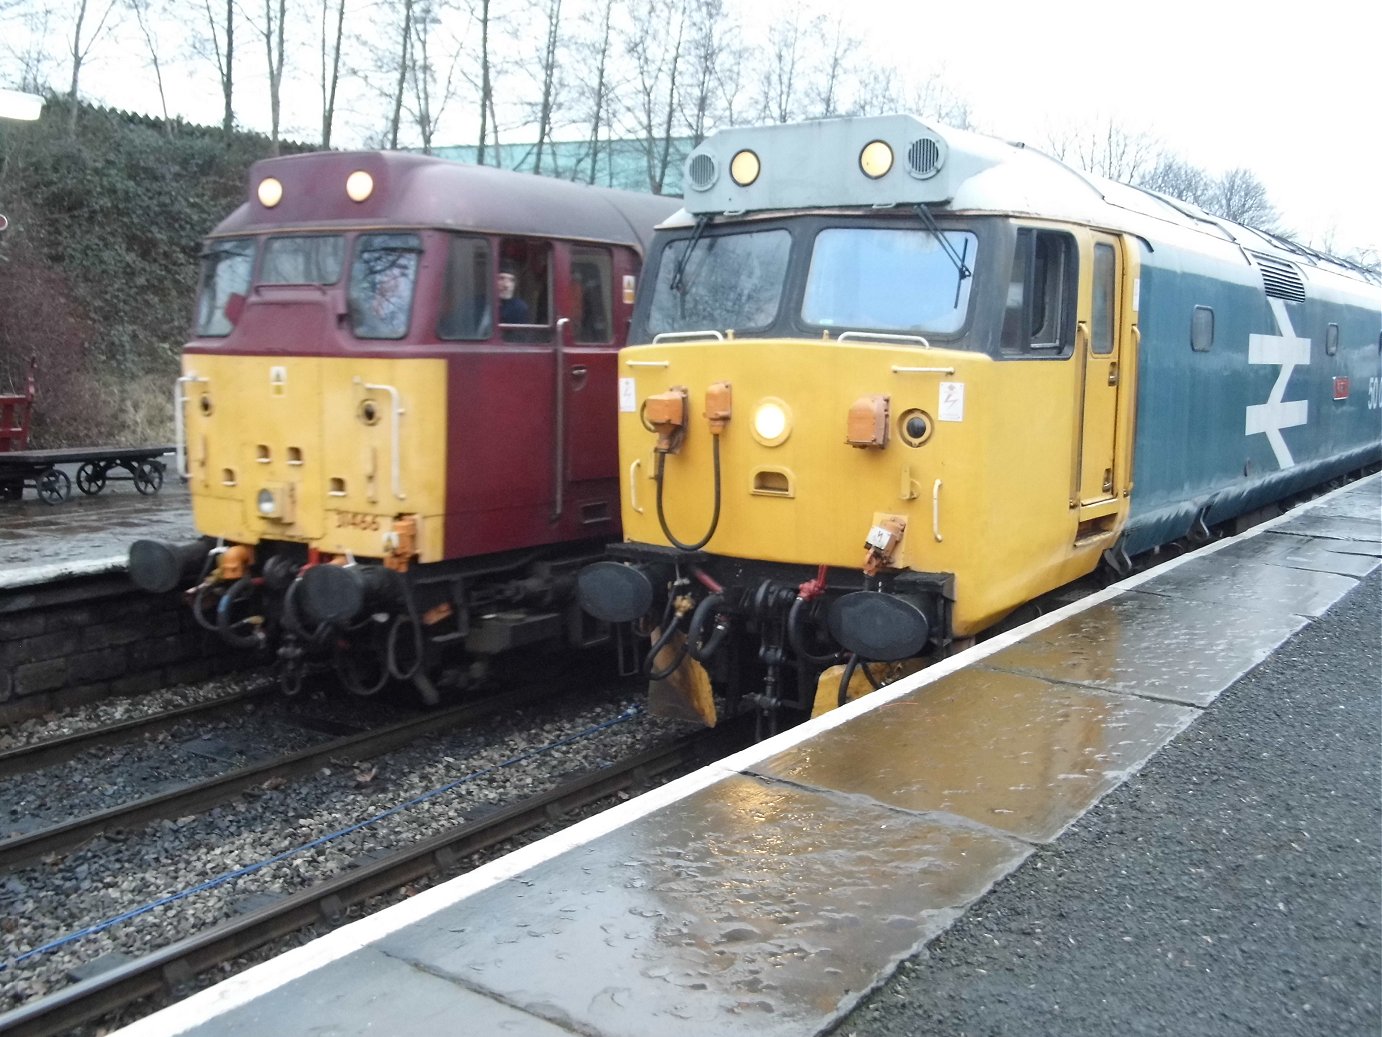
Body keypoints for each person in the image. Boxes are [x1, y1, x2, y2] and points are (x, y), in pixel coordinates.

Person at [497, 261, 530, 325]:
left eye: (511, 280)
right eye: (501, 278)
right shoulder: (479, 303)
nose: (506, 285)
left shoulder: (520, 308)